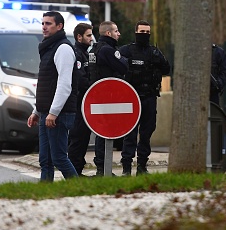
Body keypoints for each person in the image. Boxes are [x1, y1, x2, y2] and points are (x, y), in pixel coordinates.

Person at [27, 11, 79, 181]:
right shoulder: (48, 48)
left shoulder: (63, 48)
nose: (44, 27)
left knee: (59, 158)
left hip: (59, 114)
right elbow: (47, 85)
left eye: (48, 24)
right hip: (46, 112)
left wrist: (54, 112)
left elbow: (64, 85)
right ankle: (45, 193)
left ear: (59, 26)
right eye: (43, 23)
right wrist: (37, 111)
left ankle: (79, 189)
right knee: (45, 160)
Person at [119, 20, 170, 176]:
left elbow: (167, 69)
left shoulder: (154, 52)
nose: (145, 35)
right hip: (132, 98)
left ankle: (142, 166)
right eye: (142, 32)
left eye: (147, 32)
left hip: (149, 98)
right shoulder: (126, 51)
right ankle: (126, 168)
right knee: (130, 134)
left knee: (146, 133)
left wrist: (159, 60)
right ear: (136, 32)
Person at [88, 20, 129, 176]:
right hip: (108, 96)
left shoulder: (94, 49)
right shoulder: (107, 50)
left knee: (101, 132)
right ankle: (103, 169)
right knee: (106, 132)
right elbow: (123, 67)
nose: (119, 34)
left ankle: (101, 168)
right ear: (108, 33)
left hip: (96, 95)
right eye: (116, 31)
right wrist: (124, 60)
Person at [67, 23, 95, 176]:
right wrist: (94, 86)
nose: (91, 38)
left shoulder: (85, 53)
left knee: (83, 137)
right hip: (78, 103)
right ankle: (74, 173)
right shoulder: (77, 54)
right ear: (79, 37)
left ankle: (77, 170)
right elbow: (80, 80)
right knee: (78, 138)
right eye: (88, 35)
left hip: (85, 103)